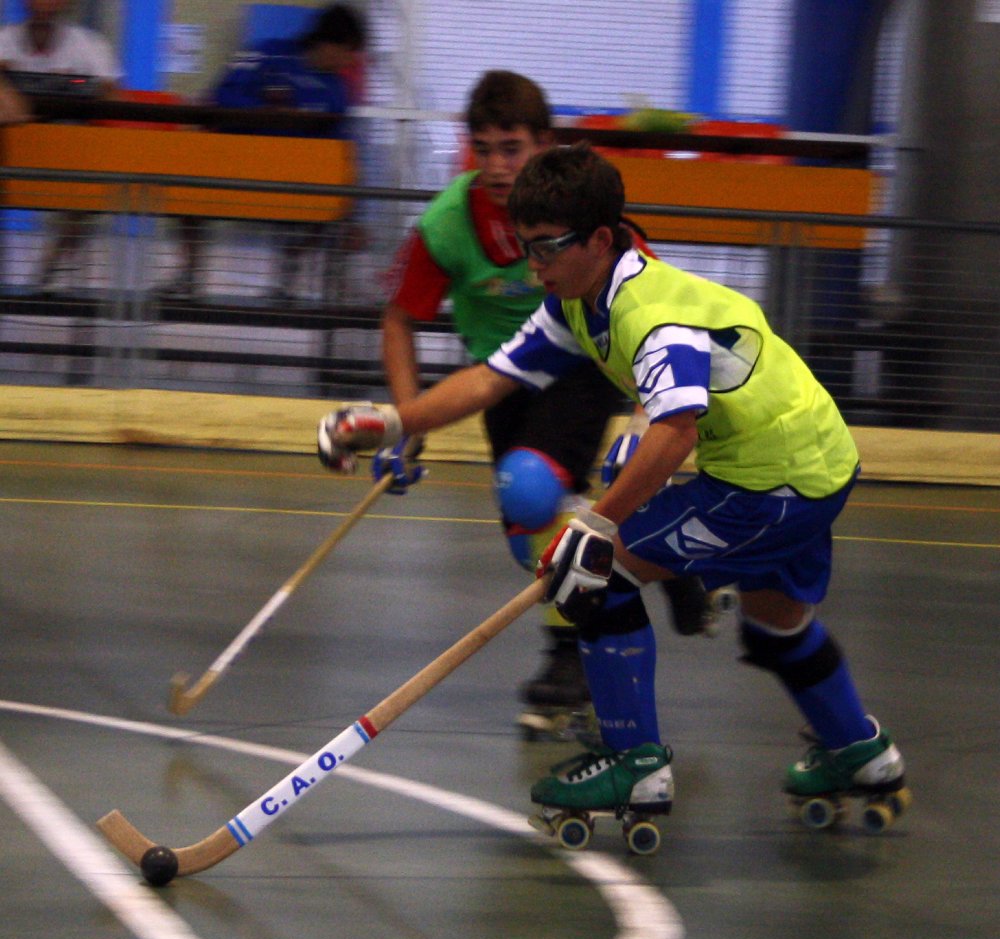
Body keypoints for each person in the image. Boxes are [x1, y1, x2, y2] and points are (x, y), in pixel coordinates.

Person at [317, 143, 909, 834]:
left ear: (600, 240)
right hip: (815, 462)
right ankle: (861, 752)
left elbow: (674, 431)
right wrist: (394, 421)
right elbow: (490, 378)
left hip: (770, 480)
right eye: (525, 247)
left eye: (546, 248)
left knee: (598, 576)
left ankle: (635, 763)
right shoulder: (575, 301)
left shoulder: (648, 314)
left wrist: (597, 525)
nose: (533, 266)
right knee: (777, 623)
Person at [375, 70, 635, 741]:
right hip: (502, 377)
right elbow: (399, 318)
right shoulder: (448, 222)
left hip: (580, 365)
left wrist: (646, 402)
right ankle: (653, 567)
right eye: (482, 148)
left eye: (511, 148)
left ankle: (568, 663)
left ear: (544, 144)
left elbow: (643, 285)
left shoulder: (573, 204)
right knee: (530, 538)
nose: (495, 166)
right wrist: (406, 420)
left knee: (532, 490)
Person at [160, 3, 366, 302]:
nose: (350, 61)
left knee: (334, 210)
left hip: (294, 181)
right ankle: (189, 272)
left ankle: (288, 278)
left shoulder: (336, 90)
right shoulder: (267, 54)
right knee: (187, 183)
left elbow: (341, 148)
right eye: (349, 51)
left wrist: (353, 212)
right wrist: (265, 110)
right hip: (235, 165)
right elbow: (222, 95)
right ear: (331, 43)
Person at [0, 0, 121, 292]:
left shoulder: (89, 45)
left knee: (86, 201)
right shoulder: (5, 40)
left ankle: (48, 270)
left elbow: (110, 92)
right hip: (13, 155)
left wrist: (73, 85)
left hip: (70, 155)